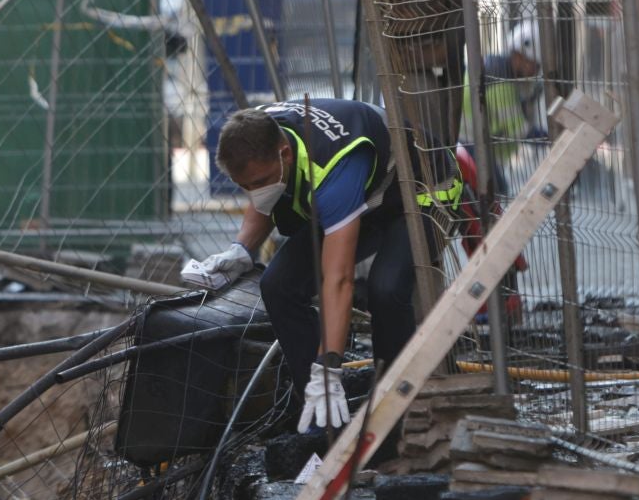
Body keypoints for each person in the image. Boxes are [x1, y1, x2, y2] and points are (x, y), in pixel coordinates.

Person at [182, 98, 461, 434]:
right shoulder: (260, 132)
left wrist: (330, 365)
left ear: (284, 154)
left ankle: (392, 410)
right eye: (246, 187)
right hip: (371, 195)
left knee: (386, 290)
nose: (254, 192)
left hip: (424, 192)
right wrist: (241, 249)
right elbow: (265, 197)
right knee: (278, 285)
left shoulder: (334, 169)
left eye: (260, 181)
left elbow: (338, 280)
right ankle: (317, 410)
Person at [462, 20, 547, 199]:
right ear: (521, 56)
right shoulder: (499, 77)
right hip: (470, 146)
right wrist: (553, 137)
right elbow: (517, 130)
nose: (536, 72)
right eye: (535, 65)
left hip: (467, 144)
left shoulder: (495, 67)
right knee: (496, 194)